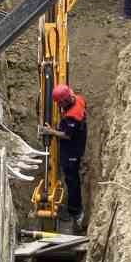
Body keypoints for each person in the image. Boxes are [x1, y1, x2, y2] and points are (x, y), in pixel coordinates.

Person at [39, 85, 88, 229]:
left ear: (65, 101)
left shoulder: (73, 116)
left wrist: (51, 131)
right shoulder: (78, 99)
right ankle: (75, 209)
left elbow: (66, 135)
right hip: (76, 141)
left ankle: (75, 211)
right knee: (70, 177)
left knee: (72, 179)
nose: (58, 106)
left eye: (59, 103)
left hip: (73, 150)